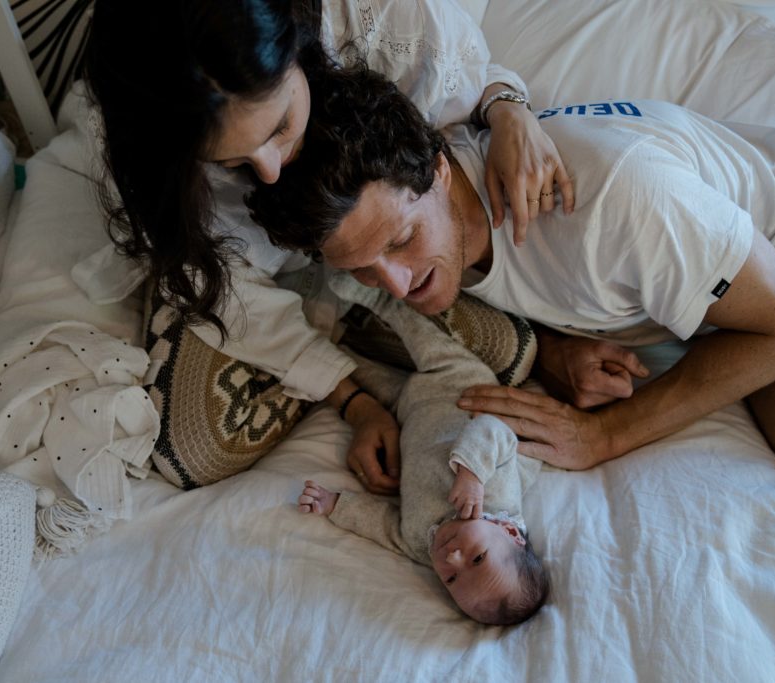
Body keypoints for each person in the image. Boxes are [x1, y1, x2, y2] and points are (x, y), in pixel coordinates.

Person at [246, 64, 775, 578]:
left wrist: (605, 435)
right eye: (363, 269)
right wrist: (559, 348)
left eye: (400, 241)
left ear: (439, 170)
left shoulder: (613, 198)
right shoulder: (442, 237)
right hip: (762, 331)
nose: (396, 284)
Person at [79, 0, 594, 495]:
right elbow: (228, 290)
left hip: (357, 266)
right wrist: (351, 399)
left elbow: (455, 115)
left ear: (296, 41)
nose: (270, 170)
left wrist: (507, 108)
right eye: (231, 161)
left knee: (508, 355)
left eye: (280, 125)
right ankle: (354, 337)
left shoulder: (385, 22)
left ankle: (418, 317)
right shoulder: (162, 157)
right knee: (195, 448)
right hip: (274, 284)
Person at [297, 272, 548, 625]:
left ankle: (322, 339)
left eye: (452, 579)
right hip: (456, 387)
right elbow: (494, 430)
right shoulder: (498, 498)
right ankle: (380, 300)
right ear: (509, 532)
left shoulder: (422, 546)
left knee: (353, 371)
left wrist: (334, 504)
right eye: (477, 558)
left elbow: (385, 526)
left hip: (407, 414)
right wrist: (472, 473)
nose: (452, 557)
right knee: (426, 340)